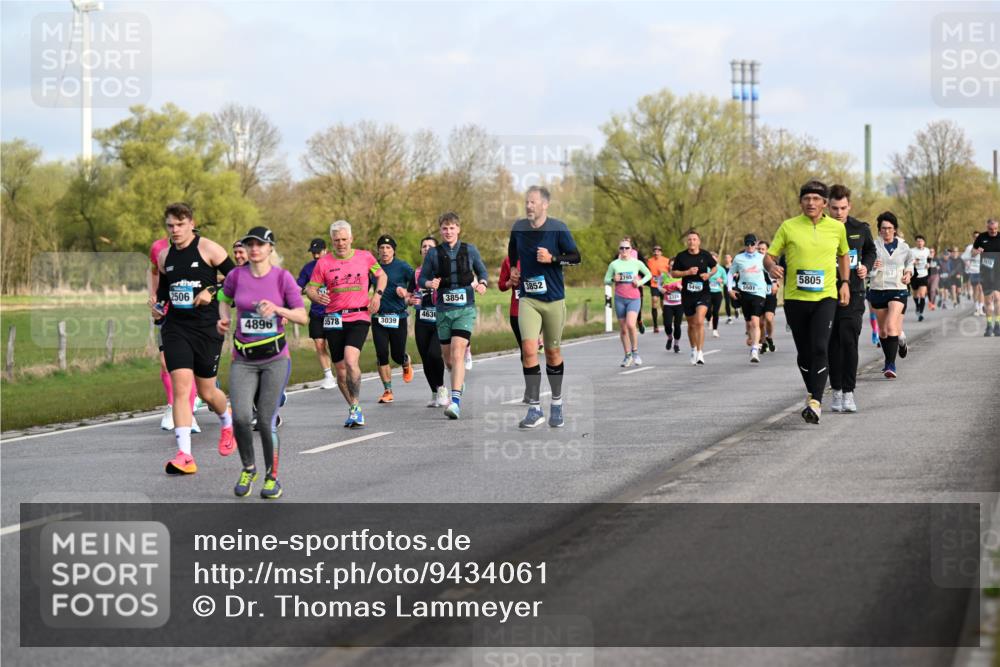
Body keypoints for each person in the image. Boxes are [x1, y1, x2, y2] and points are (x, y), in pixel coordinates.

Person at [218, 227, 307, 499]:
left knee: (265, 421)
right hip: (243, 359)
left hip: (274, 360)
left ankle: (272, 477)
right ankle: (249, 468)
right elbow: (224, 297)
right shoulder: (236, 275)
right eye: (249, 244)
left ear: (270, 248)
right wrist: (223, 318)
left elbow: (302, 317)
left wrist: (278, 310)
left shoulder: (282, 278)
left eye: (260, 244)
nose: (254, 249)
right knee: (242, 418)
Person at [151, 202, 237, 474]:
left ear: (191, 223)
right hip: (176, 327)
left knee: (208, 392)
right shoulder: (165, 256)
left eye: (179, 225)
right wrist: (158, 306)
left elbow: (237, 280)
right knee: (181, 387)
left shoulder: (209, 248)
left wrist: (211, 289)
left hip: (206, 329)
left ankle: (227, 421)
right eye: (170, 226)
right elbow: (165, 292)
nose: (175, 230)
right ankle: (184, 455)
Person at [763, 181, 850, 424]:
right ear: (800, 202)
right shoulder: (788, 227)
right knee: (804, 352)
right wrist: (772, 267)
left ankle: (816, 402)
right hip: (795, 298)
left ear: (824, 203)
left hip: (826, 297)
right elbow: (769, 256)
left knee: (820, 347)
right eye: (806, 199)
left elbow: (843, 254)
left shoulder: (836, 228)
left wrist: (845, 283)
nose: (810, 203)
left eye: (815, 199)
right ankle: (813, 392)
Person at [508, 186, 581, 428]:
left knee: (552, 354)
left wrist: (553, 259)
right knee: (528, 350)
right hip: (528, 299)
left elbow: (575, 257)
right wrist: (514, 270)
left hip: (553, 300)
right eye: (527, 202)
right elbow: (511, 250)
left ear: (545, 205)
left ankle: (557, 404)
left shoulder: (557, 228)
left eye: (533, 203)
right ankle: (534, 409)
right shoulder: (519, 228)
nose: (528, 206)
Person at [305, 220, 386, 429]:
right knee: (340, 371)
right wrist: (316, 297)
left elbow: (381, 275)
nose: (340, 243)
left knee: (351, 361)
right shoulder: (323, 263)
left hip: (359, 316)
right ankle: (353, 407)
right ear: (332, 241)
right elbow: (310, 289)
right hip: (333, 318)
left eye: (343, 239)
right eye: (336, 240)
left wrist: (377, 296)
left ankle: (357, 404)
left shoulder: (365, 257)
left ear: (351, 238)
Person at [419, 212, 489, 420]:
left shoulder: (470, 250)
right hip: (443, 311)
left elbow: (482, 272)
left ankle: (455, 401)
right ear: (440, 231)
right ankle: (458, 380)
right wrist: (429, 284)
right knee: (449, 360)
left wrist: (483, 283)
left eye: (452, 228)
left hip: (465, 308)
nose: (448, 232)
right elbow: (422, 278)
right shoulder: (433, 254)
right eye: (444, 228)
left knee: (458, 353)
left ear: (458, 229)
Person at [825, 185, 876, 413]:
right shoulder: (821, 229)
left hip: (854, 292)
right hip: (826, 293)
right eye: (834, 208)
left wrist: (865, 266)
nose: (838, 212)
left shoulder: (860, 228)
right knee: (832, 343)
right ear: (827, 206)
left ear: (849, 206)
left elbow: (870, 251)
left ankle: (849, 392)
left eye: (843, 208)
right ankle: (835, 390)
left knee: (849, 339)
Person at [149, 235, 200, 433]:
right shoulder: (158, 248)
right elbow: (154, 273)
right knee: (165, 361)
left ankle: (189, 413)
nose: (177, 229)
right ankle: (172, 407)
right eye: (173, 224)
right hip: (167, 311)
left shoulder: (201, 247)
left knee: (189, 367)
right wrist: (154, 296)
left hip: (192, 315)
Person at [868, 212, 914, 378]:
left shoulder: (904, 247)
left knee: (890, 326)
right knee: (883, 332)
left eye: (889, 228)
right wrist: (872, 266)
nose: (886, 232)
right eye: (883, 229)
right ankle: (900, 341)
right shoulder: (872, 246)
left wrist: (908, 274)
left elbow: (910, 262)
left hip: (898, 290)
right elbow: (865, 269)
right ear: (879, 230)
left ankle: (890, 364)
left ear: (895, 230)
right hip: (878, 290)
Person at [372, 234, 415, 404]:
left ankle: (405, 361)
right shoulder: (373, 268)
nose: (384, 251)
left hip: (398, 316)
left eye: (388, 248)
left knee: (397, 355)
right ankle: (387, 390)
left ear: (393, 251)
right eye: (382, 247)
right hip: (379, 317)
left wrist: (406, 292)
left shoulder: (402, 267)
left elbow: (417, 282)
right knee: (382, 354)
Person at [410, 237, 448, 407]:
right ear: (420, 251)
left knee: (435, 354)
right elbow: (410, 294)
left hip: (439, 320)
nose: (426, 249)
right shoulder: (416, 273)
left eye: (430, 246)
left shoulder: (443, 271)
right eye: (423, 246)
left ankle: (442, 389)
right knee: (425, 358)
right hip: (421, 320)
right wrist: (410, 299)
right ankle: (434, 391)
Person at [670, 230, 716, 365]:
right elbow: (673, 273)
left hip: (703, 293)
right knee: (691, 324)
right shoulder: (681, 256)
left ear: (699, 242)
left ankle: (700, 353)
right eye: (690, 239)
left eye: (694, 239)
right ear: (687, 242)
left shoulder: (705, 254)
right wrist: (687, 272)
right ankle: (693, 349)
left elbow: (714, 267)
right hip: (688, 294)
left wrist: (709, 275)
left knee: (699, 321)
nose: (692, 242)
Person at [296, 238, 337, 390]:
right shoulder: (308, 268)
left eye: (318, 252)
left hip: (334, 313)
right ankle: (328, 376)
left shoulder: (334, 265)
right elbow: (297, 286)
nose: (316, 255)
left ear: (326, 250)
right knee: (319, 344)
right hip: (316, 313)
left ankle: (343, 371)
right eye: (313, 253)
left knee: (336, 346)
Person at [604, 238, 652, 367]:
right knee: (623, 329)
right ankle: (627, 356)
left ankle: (635, 352)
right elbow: (606, 280)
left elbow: (649, 274)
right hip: (620, 298)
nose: (624, 250)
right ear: (619, 250)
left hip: (634, 298)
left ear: (631, 250)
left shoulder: (636, 263)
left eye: (627, 248)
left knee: (631, 324)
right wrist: (613, 279)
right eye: (622, 248)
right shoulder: (614, 264)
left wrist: (640, 282)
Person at [727, 234, 769, 363]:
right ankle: (753, 342)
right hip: (744, 292)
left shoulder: (762, 258)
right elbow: (730, 273)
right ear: (744, 245)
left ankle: (755, 350)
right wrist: (729, 289)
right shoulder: (739, 258)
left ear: (756, 244)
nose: (750, 246)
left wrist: (774, 282)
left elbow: (770, 272)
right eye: (747, 244)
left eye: (752, 244)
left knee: (755, 321)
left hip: (759, 293)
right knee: (749, 322)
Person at [973, 218, 1000, 336]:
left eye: (995, 229)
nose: (993, 231)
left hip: (998, 273)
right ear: (987, 227)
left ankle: (998, 325)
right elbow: (972, 253)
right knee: (988, 300)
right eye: (990, 229)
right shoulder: (981, 237)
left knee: (998, 299)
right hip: (986, 273)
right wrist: (977, 251)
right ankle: (989, 326)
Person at [757, 240, 778, 353]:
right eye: (759, 249)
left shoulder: (771, 261)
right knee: (760, 322)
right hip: (758, 293)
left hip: (770, 293)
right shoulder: (753, 261)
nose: (760, 251)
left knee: (769, 319)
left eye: (763, 249)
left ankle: (769, 337)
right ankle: (763, 341)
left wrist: (775, 282)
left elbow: (776, 274)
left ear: (767, 251)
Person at [658, 258, 684, 353]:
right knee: (667, 324)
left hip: (679, 304)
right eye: (671, 265)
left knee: (677, 325)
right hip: (668, 304)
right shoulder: (663, 275)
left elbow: (686, 290)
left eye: (675, 265)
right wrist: (661, 290)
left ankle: (676, 344)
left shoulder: (681, 276)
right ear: (668, 265)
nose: (673, 266)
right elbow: (658, 285)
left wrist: (681, 288)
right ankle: (670, 338)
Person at [646, 245, 671, 333]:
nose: (656, 252)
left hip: (664, 285)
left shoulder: (667, 260)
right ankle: (655, 325)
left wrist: (665, 274)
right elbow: (645, 271)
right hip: (654, 284)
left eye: (658, 250)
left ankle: (666, 322)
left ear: (661, 252)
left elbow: (670, 271)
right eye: (655, 250)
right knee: (654, 300)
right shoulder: (649, 261)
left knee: (664, 304)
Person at [909, 235, 931, 322]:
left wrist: (928, 264)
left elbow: (929, 259)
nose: (919, 243)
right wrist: (914, 262)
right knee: (915, 294)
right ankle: (917, 306)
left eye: (921, 241)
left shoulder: (927, 250)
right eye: (918, 241)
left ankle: (920, 313)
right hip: (914, 275)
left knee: (922, 294)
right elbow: (908, 261)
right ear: (916, 242)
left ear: (924, 242)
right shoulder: (912, 251)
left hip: (923, 274)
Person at [964, 230, 985, 316]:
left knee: (981, 289)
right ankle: (976, 308)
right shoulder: (969, 247)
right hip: (973, 271)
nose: (977, 238)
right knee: (976, 289)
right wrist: (967, 263)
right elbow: (965, 258)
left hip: (983, 270)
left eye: (978, 237)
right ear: (973, 238)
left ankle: (981, 308)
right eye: (975, 237)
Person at [707, 252, 727, 338]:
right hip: (707, 292)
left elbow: (726, 281)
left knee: (715, 312)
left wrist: (721, 281)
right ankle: (709, 319)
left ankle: (715, 330)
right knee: (707, 310)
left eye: (714, 259)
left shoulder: (721, 269)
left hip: (718, 293)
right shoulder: (706, 268)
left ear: (717, 259)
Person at [927, 247, 940, 311]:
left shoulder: (936, 259)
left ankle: (933, 304)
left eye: (932, 252)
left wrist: (938, 267)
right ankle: (930, 302)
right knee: (929, 291)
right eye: (930, 252)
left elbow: (940, 266)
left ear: (934, 253)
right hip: (927, 276)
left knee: (932, 290)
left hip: (935, 276)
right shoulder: (926, 259)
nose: (931, 253)